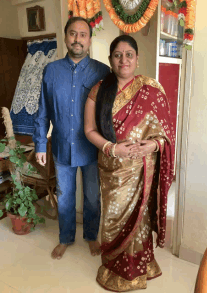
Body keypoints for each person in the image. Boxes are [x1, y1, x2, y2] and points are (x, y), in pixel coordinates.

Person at [84, 35, 175, 291]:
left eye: (128, 54)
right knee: (114, 217)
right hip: (112, 167)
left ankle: (140, 266)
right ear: (111, 59)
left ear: (137, 59)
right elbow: (89, 130)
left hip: (141, 168)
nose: (123, 60)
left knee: (140, 219)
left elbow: (167, 133)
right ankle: (115, 267)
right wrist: (112, 148)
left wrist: (154, 145)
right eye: (117, 55)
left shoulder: (151, 90)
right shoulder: (99, 89)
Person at [33, 17, 110, 260]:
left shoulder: (102, 72)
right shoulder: (51, 71)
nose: (77, 39)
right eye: (73, 34)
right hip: (61, 146)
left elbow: (108, 112)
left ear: (89, 39)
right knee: (65, 196)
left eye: (83, 34)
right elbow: (42, 110)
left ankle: (91, 236)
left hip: (91, 148)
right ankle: (65, 238)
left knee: (91, 195)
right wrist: (39, 145)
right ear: (66, 37)